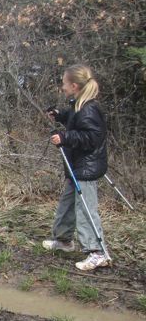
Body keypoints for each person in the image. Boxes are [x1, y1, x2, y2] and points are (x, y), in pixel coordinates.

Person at [43, 64, 111, 272]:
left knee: (85, 210)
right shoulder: (79, 105)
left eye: (64, 84)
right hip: (77, 166)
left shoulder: (89, 108)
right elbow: (75, 120)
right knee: (67, 204)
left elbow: (91, 137)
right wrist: (59, 115)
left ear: (74, 85)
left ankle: (97, 252)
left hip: (86, 168)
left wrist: (64, 137)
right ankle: (63, 240)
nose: (62, 87)